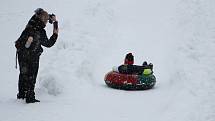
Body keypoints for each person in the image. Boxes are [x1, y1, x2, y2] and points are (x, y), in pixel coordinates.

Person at [15, 8, 59, 103]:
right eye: (46, 21)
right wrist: (55, 30)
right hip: (32, 54)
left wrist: (50, 18)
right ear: (42, 20)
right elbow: (48, 44)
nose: (47, 23)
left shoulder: (30, 25)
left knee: (23, 73)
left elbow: (38, 15)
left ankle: (21, 95)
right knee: (32, 75)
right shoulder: (40, 31)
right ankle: (30, 97)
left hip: (21, 52)